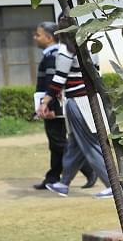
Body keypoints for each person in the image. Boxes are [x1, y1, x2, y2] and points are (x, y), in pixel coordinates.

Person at [42, 20, 114, 199]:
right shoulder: (88, 47)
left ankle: (112, 185)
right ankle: (63, 184)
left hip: (77, 102)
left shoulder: (65, 50)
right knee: (75, 145)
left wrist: (45, 101)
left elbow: (59, 79)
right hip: (91, 99)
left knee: (91, 144)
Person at [32, 21, 94, 192]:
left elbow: (56, 83)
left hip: (54, 108)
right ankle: (53, 177)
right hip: (53, 106)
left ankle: (89, 169)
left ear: (50, 37)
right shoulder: (51, 54)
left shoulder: (54, 55)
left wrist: (51, 107)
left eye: (38, 34)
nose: (35, 38)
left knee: (61, 143)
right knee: (58, 143)